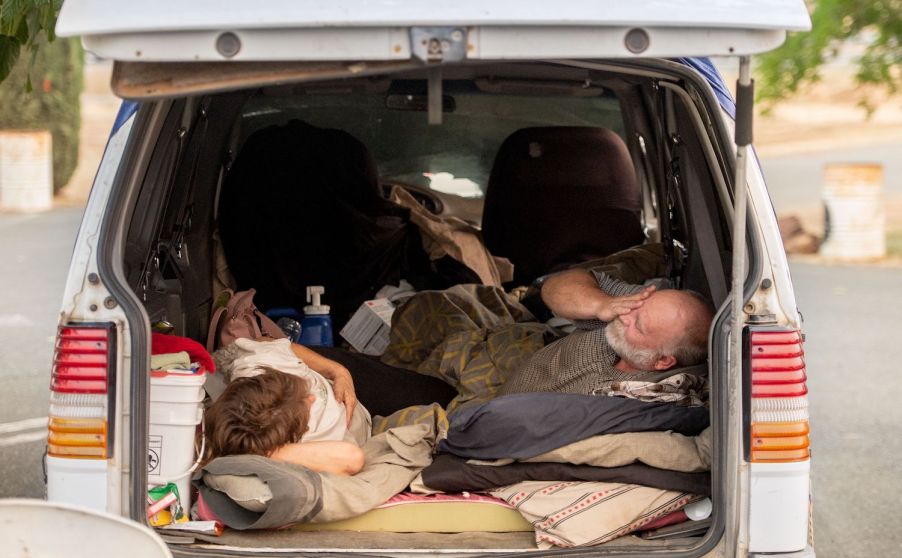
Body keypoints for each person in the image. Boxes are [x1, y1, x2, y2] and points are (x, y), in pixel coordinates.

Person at [499, 268, 714, 396]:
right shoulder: (634, 306)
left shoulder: (639, 394)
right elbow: (553, 286)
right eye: (637, 306)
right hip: (494, 398)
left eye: (638, 325)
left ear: (663, 361)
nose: (624, 315)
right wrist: (601, 304)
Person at [204, 338, 371, 475]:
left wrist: (338, 371)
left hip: (335, 376)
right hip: (360, 418)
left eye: (303, 390)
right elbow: (353, 458)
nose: (312, 397)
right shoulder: (308, 445)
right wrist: (260, 452)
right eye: (305, 405)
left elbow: (270, 342)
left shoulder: (257, 366)